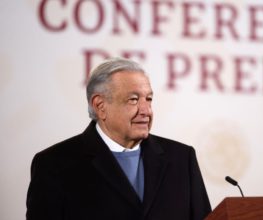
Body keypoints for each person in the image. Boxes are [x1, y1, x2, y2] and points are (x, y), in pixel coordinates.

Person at [26, 58, 211, 220]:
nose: (146, 110)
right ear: (100, 106)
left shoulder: (181, 158)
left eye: (149, 99)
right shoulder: (54, 165)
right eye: (133, 99)